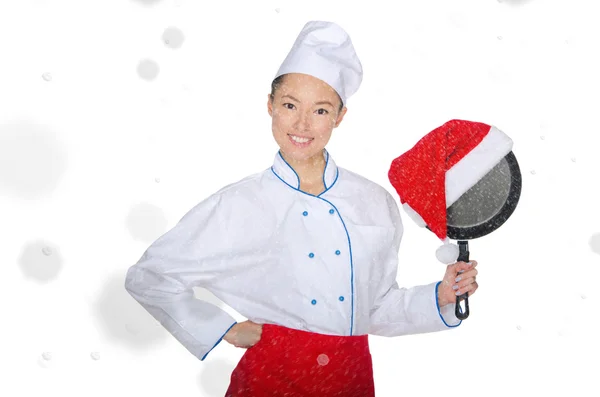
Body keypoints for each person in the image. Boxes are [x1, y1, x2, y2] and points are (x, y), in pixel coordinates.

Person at [124, 20, 478, 396]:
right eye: (290, 105)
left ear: (340, 117)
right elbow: (151, 277)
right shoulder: (239, 204)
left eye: (321, 110)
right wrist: (224, 328)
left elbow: (373, 309)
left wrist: (437, 298)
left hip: (350, 378)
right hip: (271, 376)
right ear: (270, 106)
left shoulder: (374, 203)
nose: (302, 124)